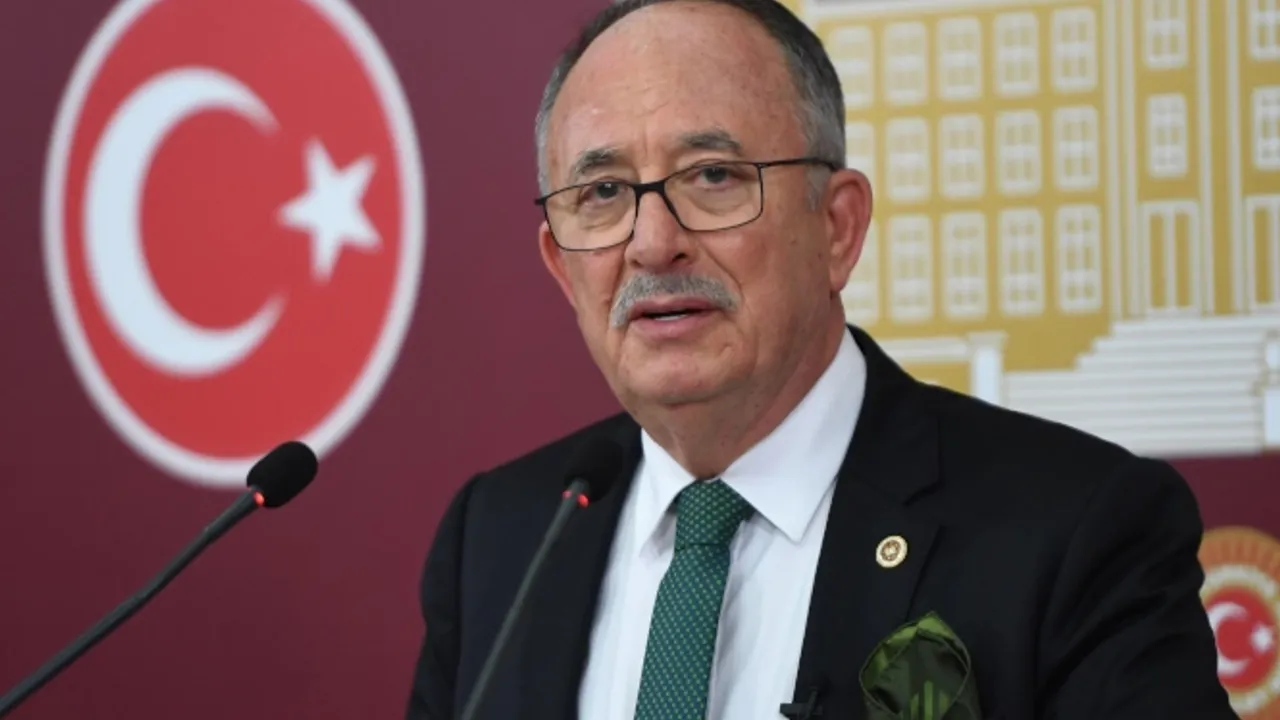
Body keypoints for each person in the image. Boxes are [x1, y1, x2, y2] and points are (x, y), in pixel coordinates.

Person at [405, 1, 1236, 718]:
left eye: (713, 176)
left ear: (837, 229)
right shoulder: (501, 541)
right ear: (561, 267)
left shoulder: (1072, 530)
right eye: (603, 194)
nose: (652, 243)